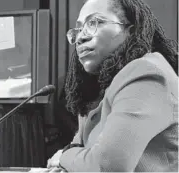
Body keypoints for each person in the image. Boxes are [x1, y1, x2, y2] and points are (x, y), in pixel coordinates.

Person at [47, 0, 178, 172]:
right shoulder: (100, 88)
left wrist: (64, 156)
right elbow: (82, 155)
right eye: (78, 29)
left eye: (95, 22)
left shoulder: (145, 74)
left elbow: (107, 166)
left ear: (131, 30)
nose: (80, 37)